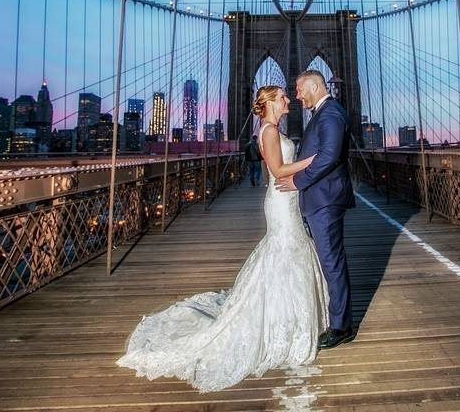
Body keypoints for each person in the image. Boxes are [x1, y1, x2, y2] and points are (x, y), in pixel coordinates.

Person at [116, 85, 327, 392]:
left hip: (287, 199)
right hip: (282, 201)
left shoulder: (271, 129)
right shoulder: (268, 131)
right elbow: (278, 170)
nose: (287, 100)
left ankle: (290, 322)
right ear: (269, 103)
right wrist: (314, 161)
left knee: (289, 254)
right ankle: (284, 325)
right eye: (282, 96)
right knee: (286, 251)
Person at [275, 69, 356, 350]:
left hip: (326, 199)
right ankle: (337, 318)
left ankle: (341, 326)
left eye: (299, 90)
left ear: (313, 86)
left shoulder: (331, 113)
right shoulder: (323, 114)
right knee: (329, 261)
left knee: (332, 262)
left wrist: (298, 182)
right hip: (320, 199)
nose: (297, 96)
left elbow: (329, 156)